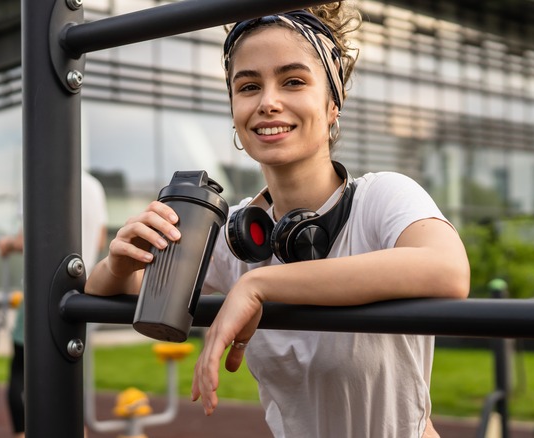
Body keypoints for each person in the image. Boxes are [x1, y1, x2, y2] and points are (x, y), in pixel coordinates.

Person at [85, 3, 471, 437]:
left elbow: (448, 270)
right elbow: (107, 296)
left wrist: (259, 286)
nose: (268, 102)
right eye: (248, 86)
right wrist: (119, 264)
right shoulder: (237, 233)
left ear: (332, 104)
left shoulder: (381, 196)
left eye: (293, 81)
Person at [0, 169, 108, 438]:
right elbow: (101, 236)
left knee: (22, 368)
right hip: (85, 286)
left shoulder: (38, 179)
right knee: (69, 364)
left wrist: (7, 245)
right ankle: (75, 428)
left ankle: (23, 433)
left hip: (43, 289)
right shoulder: (93, 186)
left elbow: (28, 238)